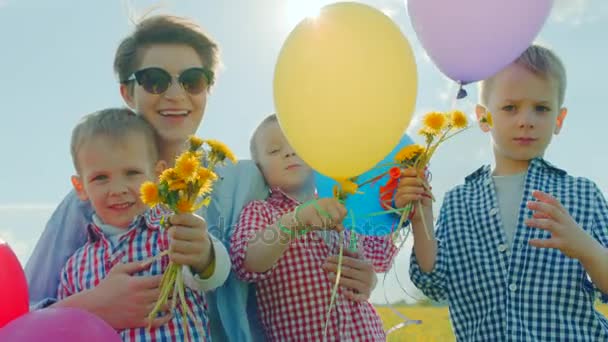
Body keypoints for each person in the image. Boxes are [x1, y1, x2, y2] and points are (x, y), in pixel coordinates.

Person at [25, 14, 380, 341]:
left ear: (208, 89)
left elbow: (297, 232)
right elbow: (24, 314)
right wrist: (93, 306)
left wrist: (357, 271)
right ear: (127, 92)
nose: (176, 95)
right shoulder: (88, 202)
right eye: (154, 81)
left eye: (193, 80)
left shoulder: (246, 179)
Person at [399, 45, 608, 340]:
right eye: (510, 107)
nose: (526, 120)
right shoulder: (460, 202)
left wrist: (585, 248)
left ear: (558, 120)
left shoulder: (582, 194)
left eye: (542, 108)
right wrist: (422, 218)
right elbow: (435, 282)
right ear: (484, 118)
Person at [60, 108, 225, 340]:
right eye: (100, 178)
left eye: (131, 173)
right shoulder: (74, 267)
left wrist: (204, 254)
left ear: (157, 175)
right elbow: (63, 328)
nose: (117, 189)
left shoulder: (171, 228)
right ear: (81, 187)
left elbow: (214, 275)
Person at [230, 114, 398, 340]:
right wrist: (296, 221)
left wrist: (392, 208)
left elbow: (381, 257)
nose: (289, 152)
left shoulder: (343, 207)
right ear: (260, 169)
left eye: (298, 145)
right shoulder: (262, 211)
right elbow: (247, 261)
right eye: (274, 151)